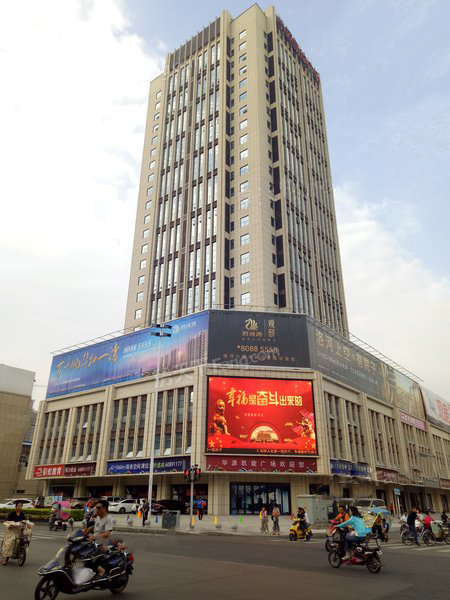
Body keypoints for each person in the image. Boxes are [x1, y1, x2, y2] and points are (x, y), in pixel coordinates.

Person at [84, 500, 114, 577]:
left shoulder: (108, 519)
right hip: (94, 544)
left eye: (98, 508)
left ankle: (102, 571)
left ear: (105, 508)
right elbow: (93, 528)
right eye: (96, 508)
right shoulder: (97, 518)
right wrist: (86, 529)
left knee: (89, 560)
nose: (96, 509)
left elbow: (107, 533)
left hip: (102, 544)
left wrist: (95, 536)